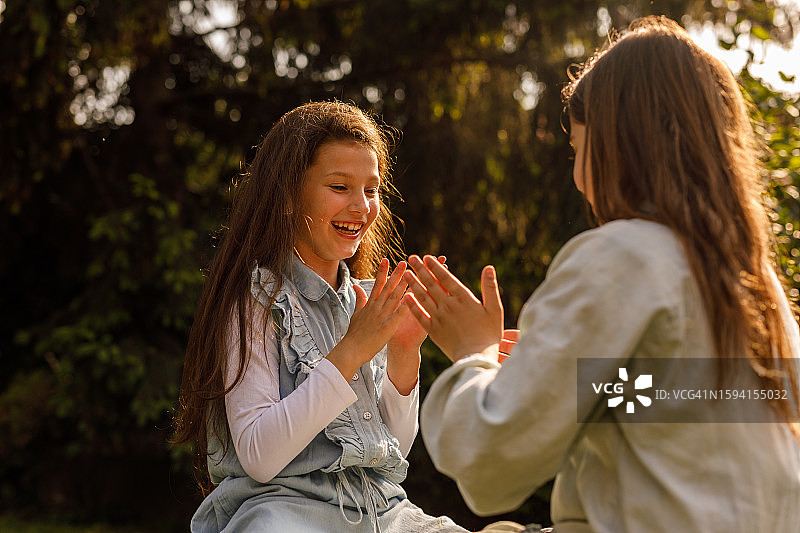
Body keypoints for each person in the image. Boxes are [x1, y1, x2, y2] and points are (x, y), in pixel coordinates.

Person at [403, 16, 800, 533]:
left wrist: (472, 353)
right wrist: (557, 375)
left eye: (577, 148)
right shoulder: (754, 281)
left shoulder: (623, 255)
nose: (576, 175)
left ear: (619, 143)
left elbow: (490, 459)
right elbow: (679, 400)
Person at [172, 101, 467, 532]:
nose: (362, 207)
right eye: (340, 187)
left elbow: (391, 451)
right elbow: (258, 455)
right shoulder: (256, 299)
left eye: (371, 189)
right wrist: (351, 351)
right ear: (288, 196)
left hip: (382, 512)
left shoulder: (365, 301)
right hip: (285, 512)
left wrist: (404, 353)